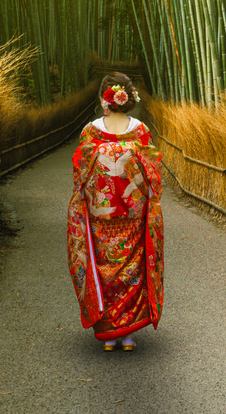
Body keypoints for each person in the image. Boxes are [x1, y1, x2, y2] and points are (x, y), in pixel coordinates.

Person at [67, 72, 163, 351]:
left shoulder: (91, 131)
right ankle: (128, 335)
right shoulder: (140, 131)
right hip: (133, 213)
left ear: (103, 100)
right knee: (131, 268)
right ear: (130, 98)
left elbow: (80, 172)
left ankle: (109, 333)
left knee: (103, 268)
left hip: (100, 214)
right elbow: (151, 172)